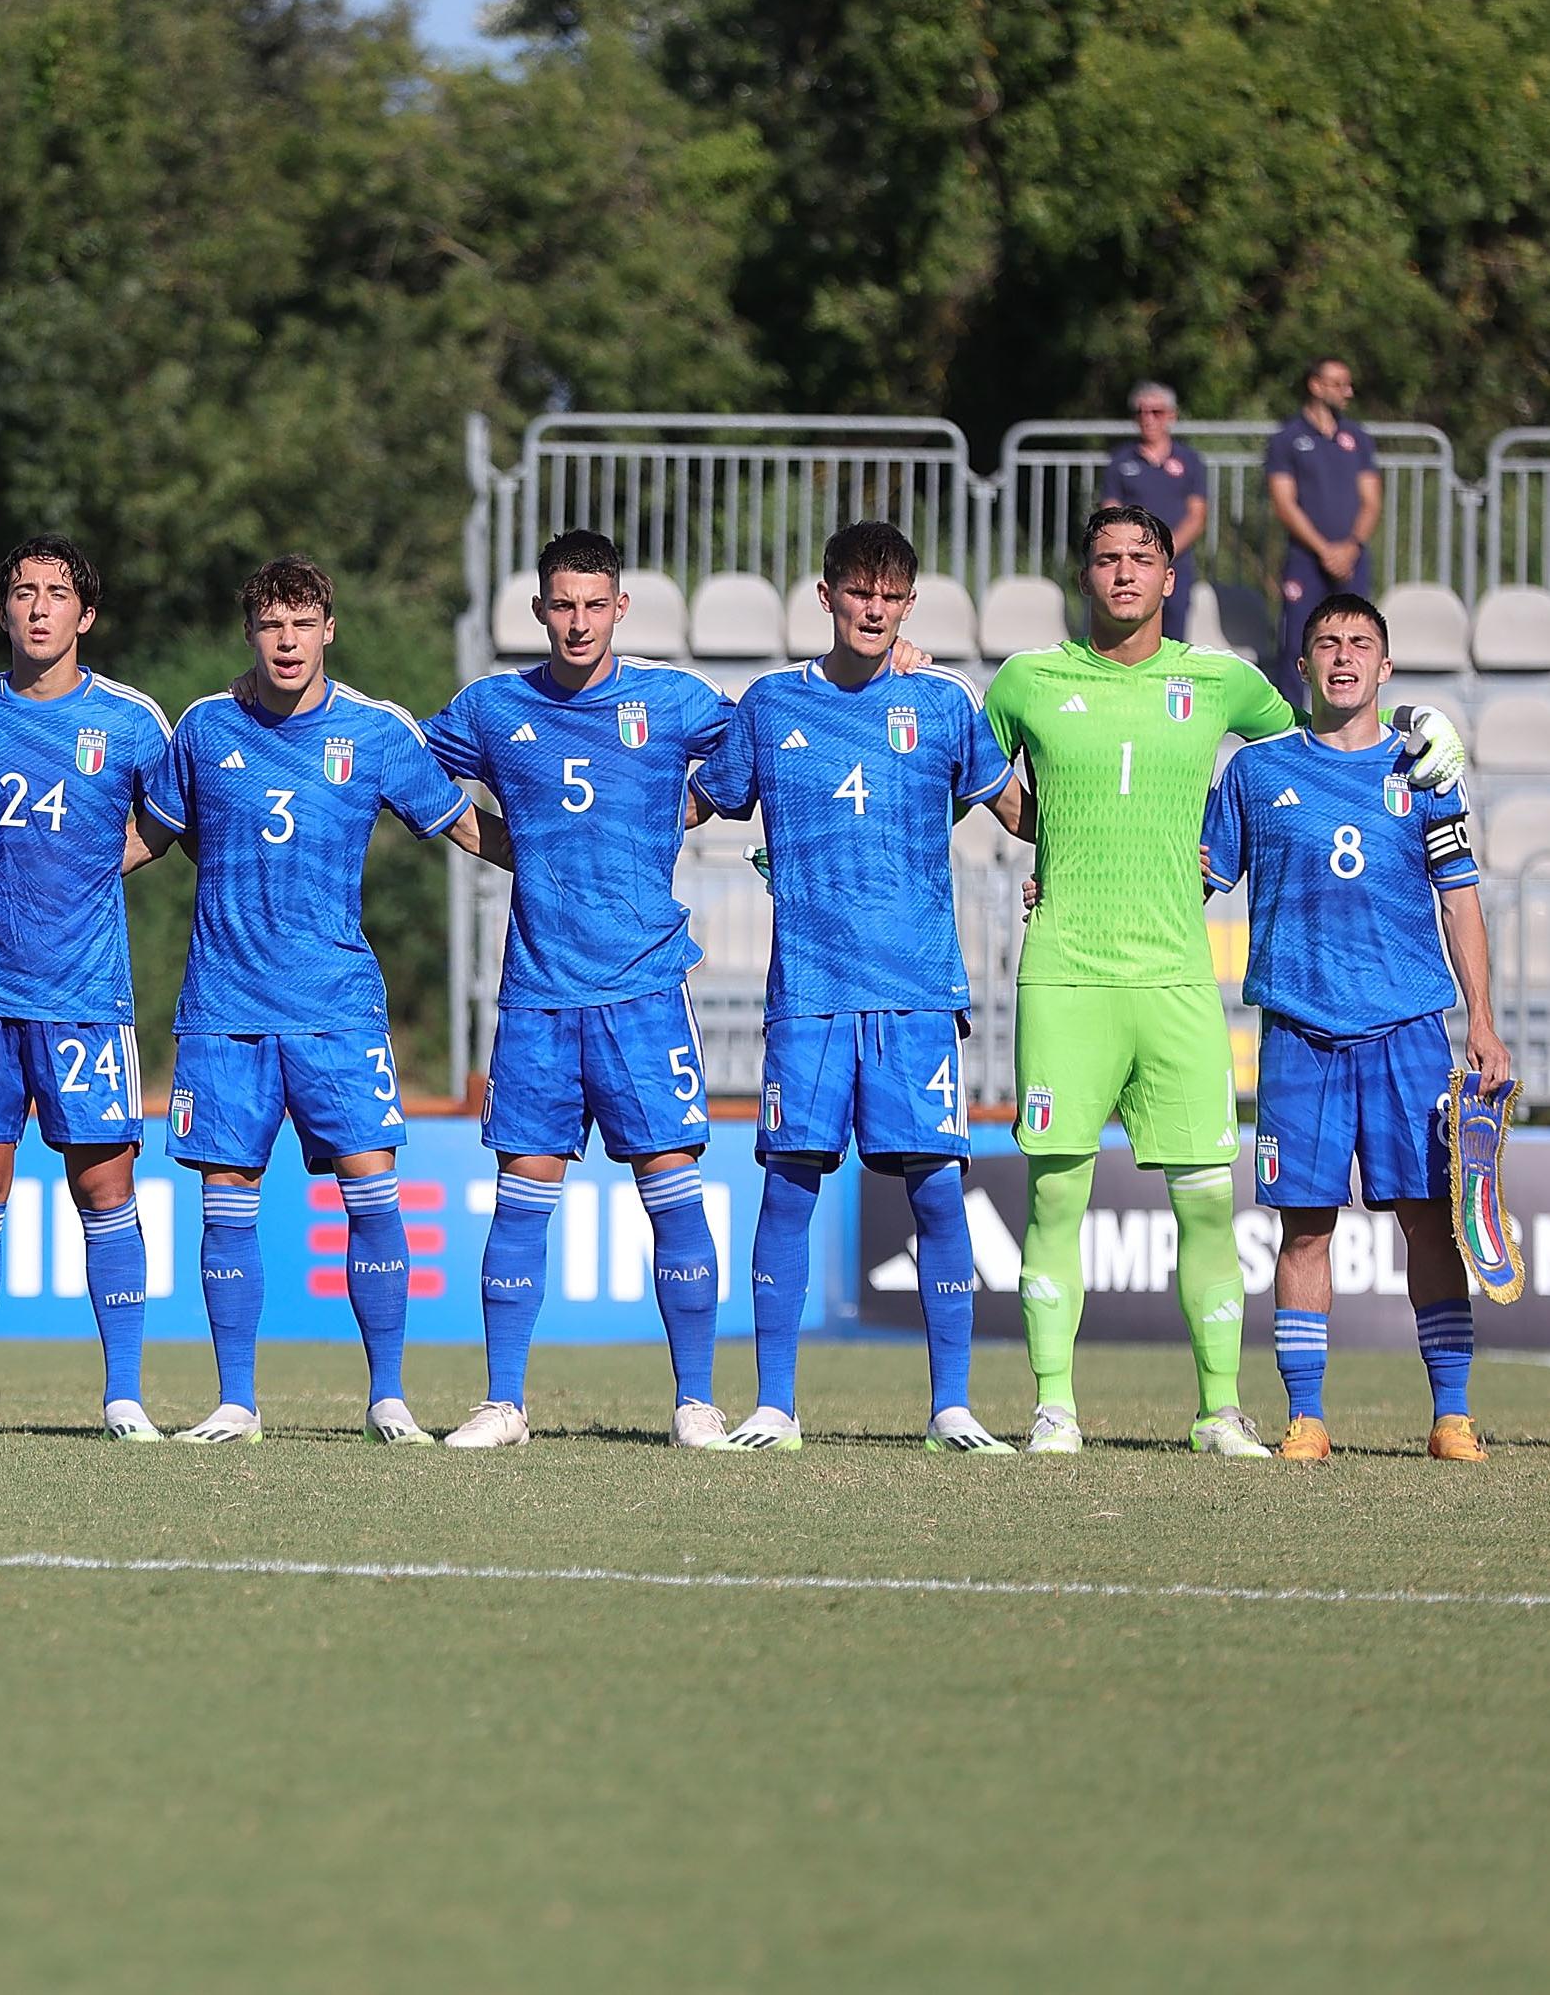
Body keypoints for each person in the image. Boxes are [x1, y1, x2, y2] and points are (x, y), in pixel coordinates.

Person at [988, 502, 1463, 1456]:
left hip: (1175, 980)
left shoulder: (1221, 683)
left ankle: (1218, 1410)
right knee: (1053, 1197)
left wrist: (1423, 721)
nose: (1123, 573)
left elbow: (1336, 727)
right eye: (1106, 559)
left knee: (1208, 1199)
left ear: (1172, 579)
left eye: (1142, 560)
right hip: (1065, 975)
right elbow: (970, 770)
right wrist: (1046, 834)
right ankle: (1053, 1409)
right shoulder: (1024, 681)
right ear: (1084, 576)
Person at [689, 523, 1031, 1451]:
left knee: (934, 1191)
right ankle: (773, 1405)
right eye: (857, 591)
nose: (873, 607)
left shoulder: (944, 704)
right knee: (788, 1187)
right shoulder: (767, 706)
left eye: (890, 594)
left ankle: (951, 1406)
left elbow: (1027, 814)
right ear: (826, 595)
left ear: (908, 604)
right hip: (807, 991)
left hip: (917, 990)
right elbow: (687, 799)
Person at [145, 555, 500, 1445]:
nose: (287, 640)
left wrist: (565, 859)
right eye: (271, 624)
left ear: (328, 629)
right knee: (226, 1195)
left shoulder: (374, 731)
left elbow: (460, 823)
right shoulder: (202, 727)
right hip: (225, 1007)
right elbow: (147, 837)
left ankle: (387, 1396)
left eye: (302, 623)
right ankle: (235, 1401)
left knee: (369, 1190)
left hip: (337, 1009)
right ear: (250, 632)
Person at [423, 529, 737, 1449]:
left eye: (594, 604)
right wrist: (494, 841)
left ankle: (694, 1401)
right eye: (562, 604)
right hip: (536, 992)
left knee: (669, 1183)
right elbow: (409, 771)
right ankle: (503, 1402)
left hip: (642, 988)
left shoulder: (672, 698)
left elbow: (760, 745)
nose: (578, 622)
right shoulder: (491, 707)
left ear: (620, 608)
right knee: (521, 1185)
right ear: (538, 611)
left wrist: (678, 810)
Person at [1200, 592, 1506, 1462]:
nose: (1341, 657)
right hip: (1298, 1030)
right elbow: (1194, 879)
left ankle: (1451, 1415)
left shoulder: (1423, 773)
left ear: (1384, 667)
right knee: (1302, 1226)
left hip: (1408, 1026)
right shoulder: (1255, 772)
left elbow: (1460, 897)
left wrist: (1480, 1018)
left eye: (1359, 643)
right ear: (1300, 666)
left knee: (1426, 1219)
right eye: (1326, 644)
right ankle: (1306, 1417)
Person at [0, 535, 173, 1441]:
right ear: (3, 609)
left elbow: (170, 822)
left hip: (86, 996)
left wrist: (105, 866)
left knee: (104, 1186)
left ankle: (124, 1395)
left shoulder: (132, 721)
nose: (39, 607)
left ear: (84, 615)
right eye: (23, 592)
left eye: (57, 593)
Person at [1266, 357, 1383, 703]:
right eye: (1338, 384)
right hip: (1305, 558)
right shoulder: (1287, 439)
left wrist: (1351, 546)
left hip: (1352, 559)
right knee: (1296, 642)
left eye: (1348, 384)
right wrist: (1323, 549)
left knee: (1358, 639)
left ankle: (1354, 720)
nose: (1348, 392)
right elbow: (1284, 503)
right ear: (1315, 386)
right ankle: (1287, 728)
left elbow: (1372, 500)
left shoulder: (1357, 438)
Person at [1098, 383, 1210, 643]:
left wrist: (1162, 551)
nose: (1148, 418)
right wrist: (1136, 551)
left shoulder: (1190, 460)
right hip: (1130, 561)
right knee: (1126, 630)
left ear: (1172, 415)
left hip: (1175, 562)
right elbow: (1110, 512)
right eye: (1141, 412)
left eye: (1156, 412)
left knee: (1172, 634)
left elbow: (1197, 516)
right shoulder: (1120, 460)